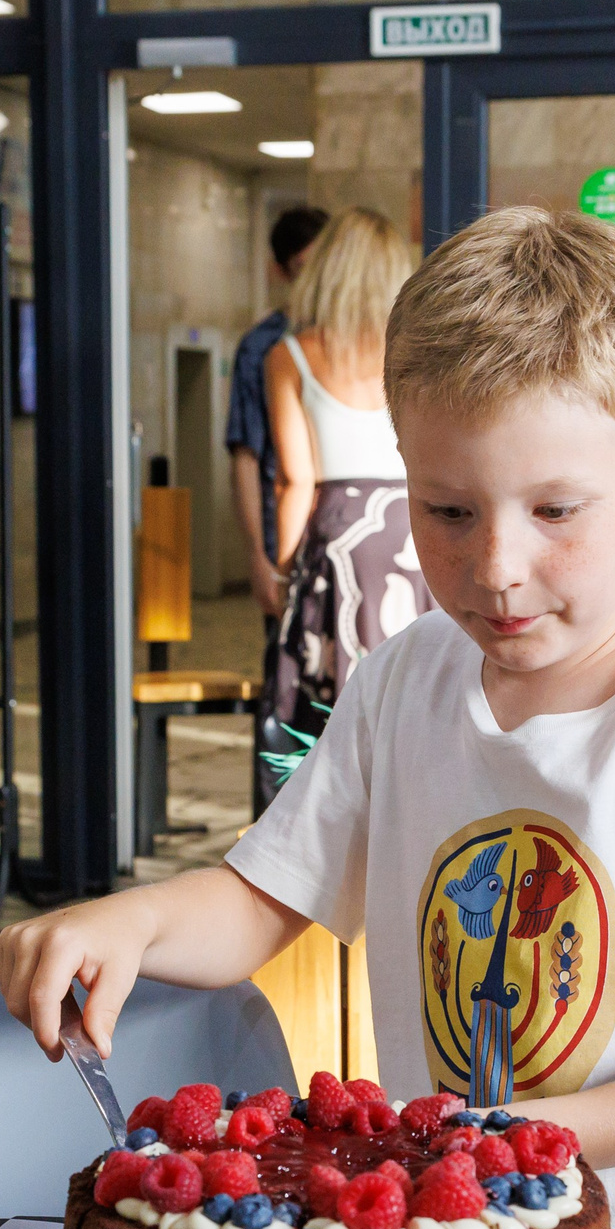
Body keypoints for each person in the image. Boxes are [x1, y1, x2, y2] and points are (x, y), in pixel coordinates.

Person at [1, 206, 615, 1229]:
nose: (498, 565)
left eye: (555, 509)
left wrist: (533, 1134)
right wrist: (133, 917)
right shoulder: (402, 679)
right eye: (447, 510)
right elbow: (263, 898)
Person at [258, 206, 430, 796]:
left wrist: (281, 568)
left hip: (338, 543)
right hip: (411, 536)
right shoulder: (416, 353)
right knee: (412, 699)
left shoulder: (292, 356)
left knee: (323, 710)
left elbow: (295, 481)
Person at [226, 205, 329, 622]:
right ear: (281, 270)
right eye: (303, 265)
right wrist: (257, 557)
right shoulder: (261, 347)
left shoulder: (360, 338)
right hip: (285, 532)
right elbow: (246, 456)